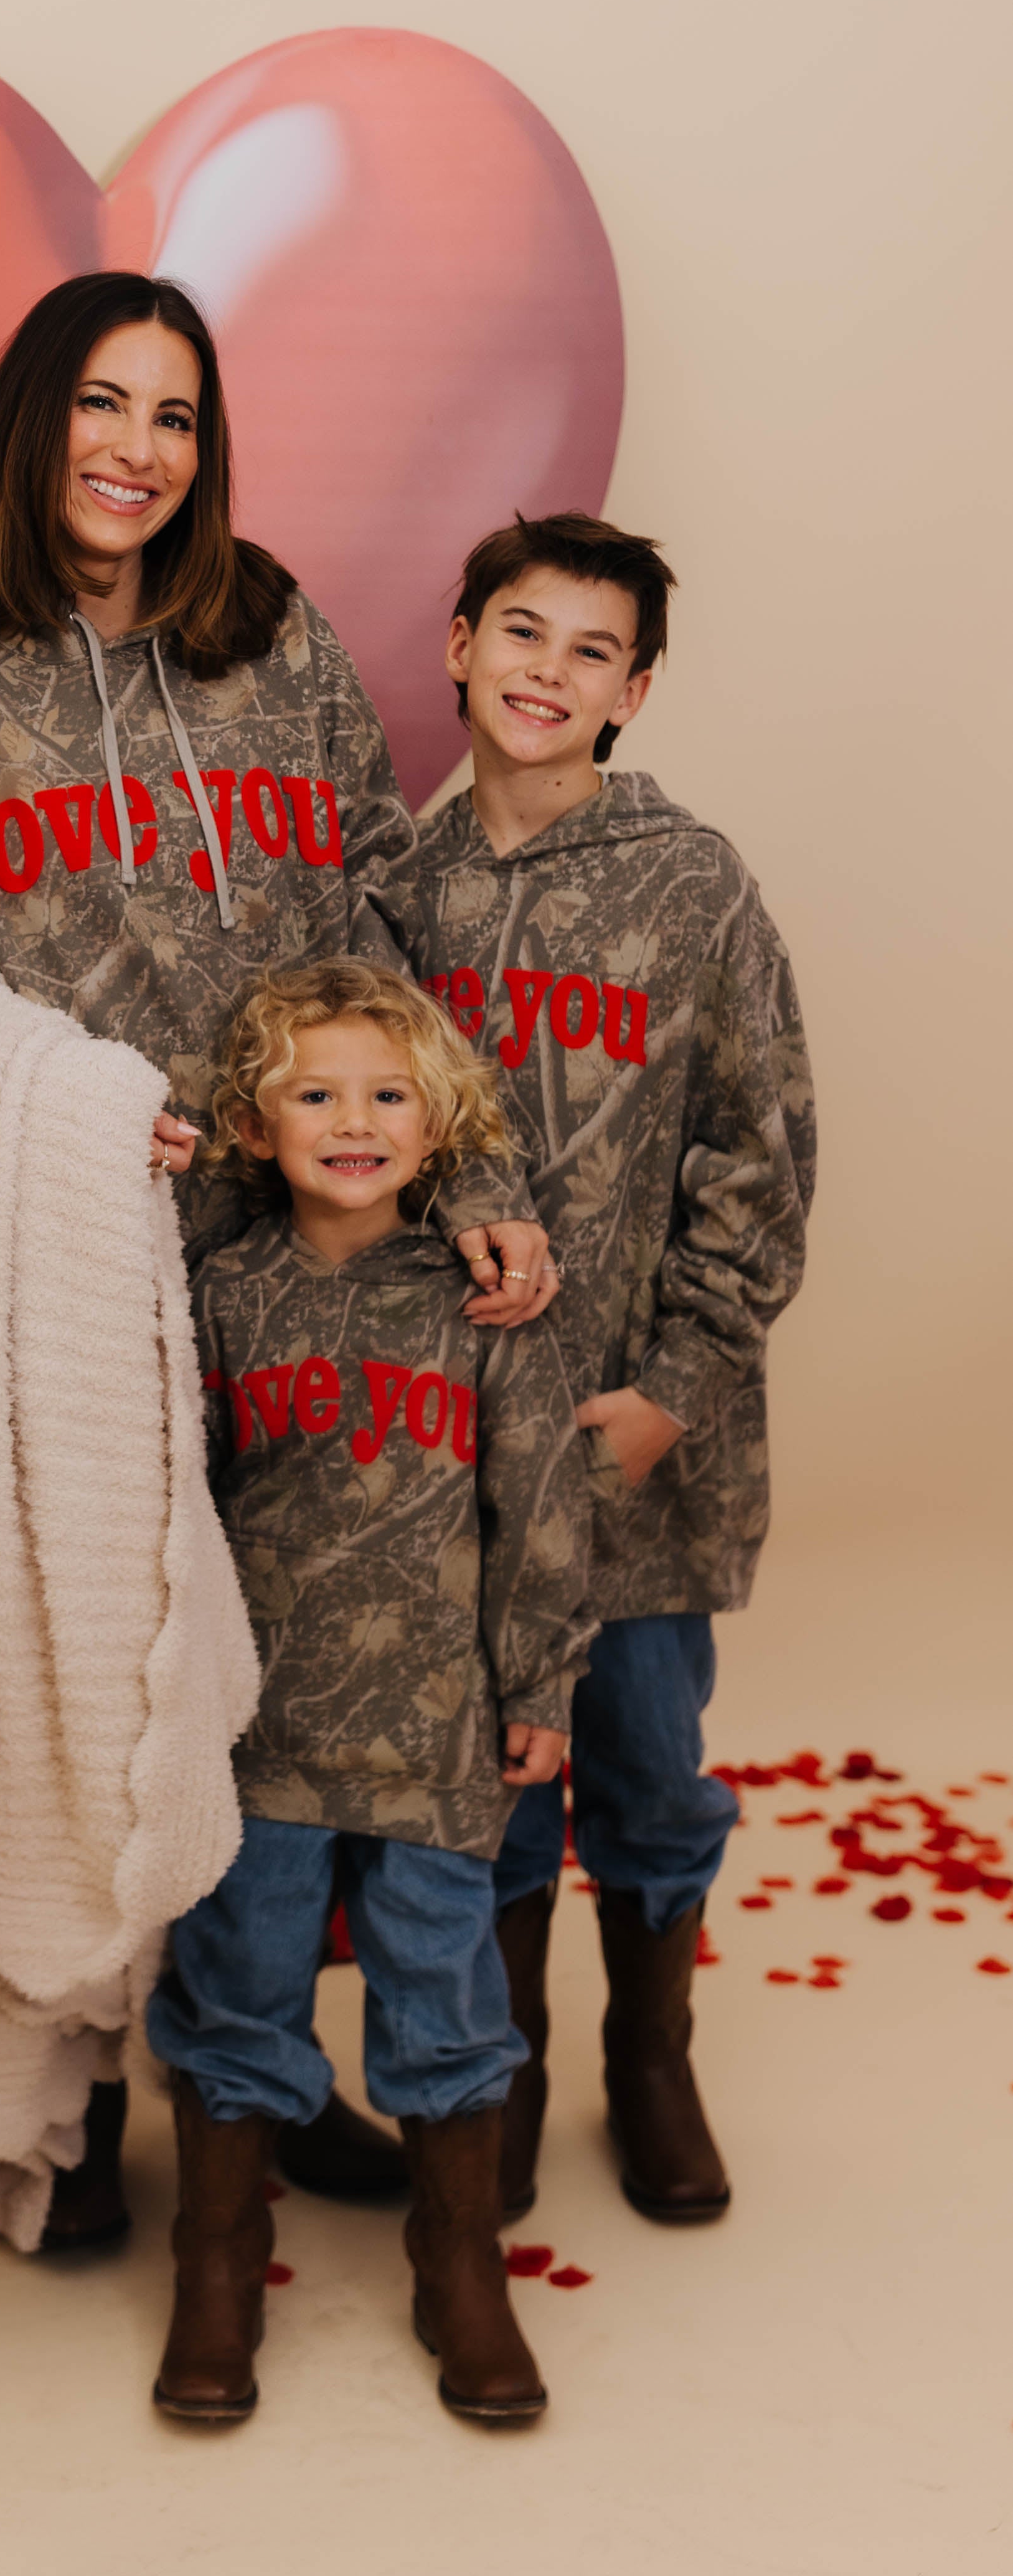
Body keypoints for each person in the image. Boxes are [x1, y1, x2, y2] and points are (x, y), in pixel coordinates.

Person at [0, 268, 558, 2240]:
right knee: (100, 1675)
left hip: (320, 1243)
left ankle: (256, 2077)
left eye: (178, 416)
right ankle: (76, 2113)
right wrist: (53, 1096)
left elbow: (375, 908)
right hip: (87, 1260)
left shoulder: (274, 635)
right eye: (103, 408)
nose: (140, 452)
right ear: (32, 420)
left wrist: (457, 1164)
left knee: (284, 1684)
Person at [396, 512, 815, 2225]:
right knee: (495, 1772)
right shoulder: (393, 888)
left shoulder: (689, 881)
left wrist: (682, 1379)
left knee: (641, 1765)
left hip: (637, 1442)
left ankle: (654, 2052)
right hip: (453, 1456)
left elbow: (758, 1139)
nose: (544, 671)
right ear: (455, 641)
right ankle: (512, 2061)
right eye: (518, 629)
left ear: (633, 685)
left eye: (588, 649)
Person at [148, 961, 596, 2427]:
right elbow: (176, 1507)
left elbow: (539, 1506)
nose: (356, 1121)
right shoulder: (219, 1293)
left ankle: (459, 2260)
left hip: (434, 1731)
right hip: (258, 1734)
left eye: (389, 1093)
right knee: (238, 1992)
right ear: (253, 1125)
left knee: (446, 1998)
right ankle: (218, 2258)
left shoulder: (487, 1298)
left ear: (441, 1117)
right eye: (316, 1094)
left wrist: (540, 1677)